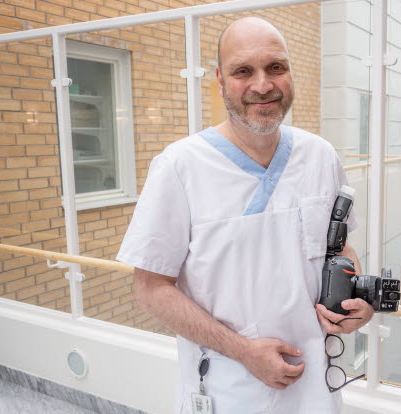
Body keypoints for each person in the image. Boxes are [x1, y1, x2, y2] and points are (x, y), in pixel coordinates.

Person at [116, 17, 374, 413]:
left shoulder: (319, 155)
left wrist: (355, 299)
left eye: (276, 68)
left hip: (316, 387)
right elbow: (150, 287)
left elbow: (340, 248)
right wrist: (243, 351)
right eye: (243, 71)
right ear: (220, 81)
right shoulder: (179, 166)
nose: (263, 85)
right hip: (227, 385)